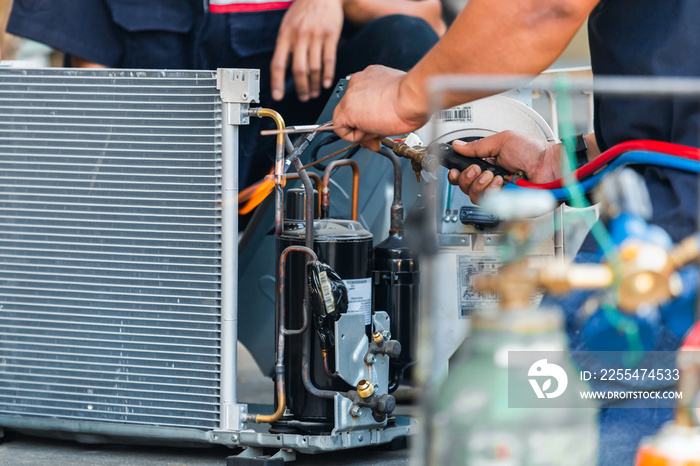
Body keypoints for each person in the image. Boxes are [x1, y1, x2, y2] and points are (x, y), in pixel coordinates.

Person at [332, 0, 700, 464]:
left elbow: (546, 6)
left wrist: (402, 97)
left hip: (679, 229)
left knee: (527, 419)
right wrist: (563, 159)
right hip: (670, 199)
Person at [6, 0, 444, 186]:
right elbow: (91, 96)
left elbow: (427, 19)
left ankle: (356, 306)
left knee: (404, 39)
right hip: (158, 183)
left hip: (304, 171)